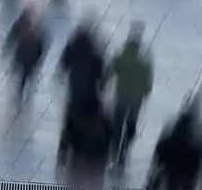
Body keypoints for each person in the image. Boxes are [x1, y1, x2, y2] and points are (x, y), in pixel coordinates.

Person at [107, 21, 153, 169]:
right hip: (136, 98)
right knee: (131, 124)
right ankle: (125, 150)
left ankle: (115, 150)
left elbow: (112, 69)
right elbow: (148, 83)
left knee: (117, 123)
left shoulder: (122, 55)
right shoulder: (145, 60)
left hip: (121, 95)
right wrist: (145, 92)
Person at [145, 99, 202, 190]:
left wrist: (154, 176)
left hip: (172, 170)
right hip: (189, 172)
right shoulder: (199, 136)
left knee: (172, 185)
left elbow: (160, 151)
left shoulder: (172, 130)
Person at [57, 100, 113, 189]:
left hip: (79, 160)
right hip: (97, 161)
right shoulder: (104, 121)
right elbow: (108, 140)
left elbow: (67, 137)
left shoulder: (76, 118)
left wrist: (62, 155)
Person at [59, 21, 105, 115]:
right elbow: (100, 70)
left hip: (75, 83)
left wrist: (61, 74)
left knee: (74, 106)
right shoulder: (94, 50)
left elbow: (65, 62)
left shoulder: (73, 46)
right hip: (90, 88)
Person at [2, 5, 47, 100]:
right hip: (22, 54)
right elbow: (12, 37)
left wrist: (39, 58)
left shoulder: (38, 29)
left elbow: (41, 45)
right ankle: (20, 89)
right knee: (20, 71)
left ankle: (20, 91)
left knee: (25, 75)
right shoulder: (21, 24)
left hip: (30, 58)